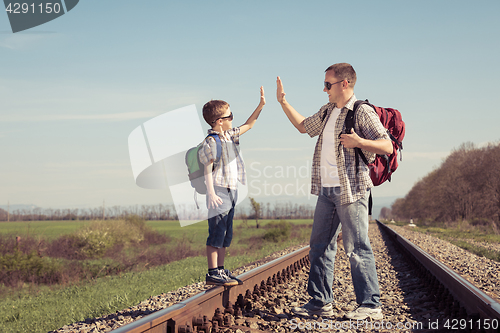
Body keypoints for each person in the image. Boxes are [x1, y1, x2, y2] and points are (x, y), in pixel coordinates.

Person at [276, 63, 392, 320]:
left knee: (357, 247)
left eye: (328, 84)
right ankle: (320, 302)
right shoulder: (328, 111)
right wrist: (283, 102)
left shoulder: (362, 112)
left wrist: (360, 142)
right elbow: (304, 127)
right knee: (319, 246)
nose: (324, 89)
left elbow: (387, 146)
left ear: (345, 84)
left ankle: (371, 305)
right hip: (326, 190)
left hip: (351, 191)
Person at [199, 87, 265, 286]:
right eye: (230, 116)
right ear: (220, 121)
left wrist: (261, 105)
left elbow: (250, 124)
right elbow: (207, 170)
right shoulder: (210, 142)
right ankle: (212, 272)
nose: (233, 119)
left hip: (231, 190)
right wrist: (210, 193)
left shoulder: (230, 135)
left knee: (226, 233)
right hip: (218, 191)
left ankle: (220, 269)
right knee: (216, 232)